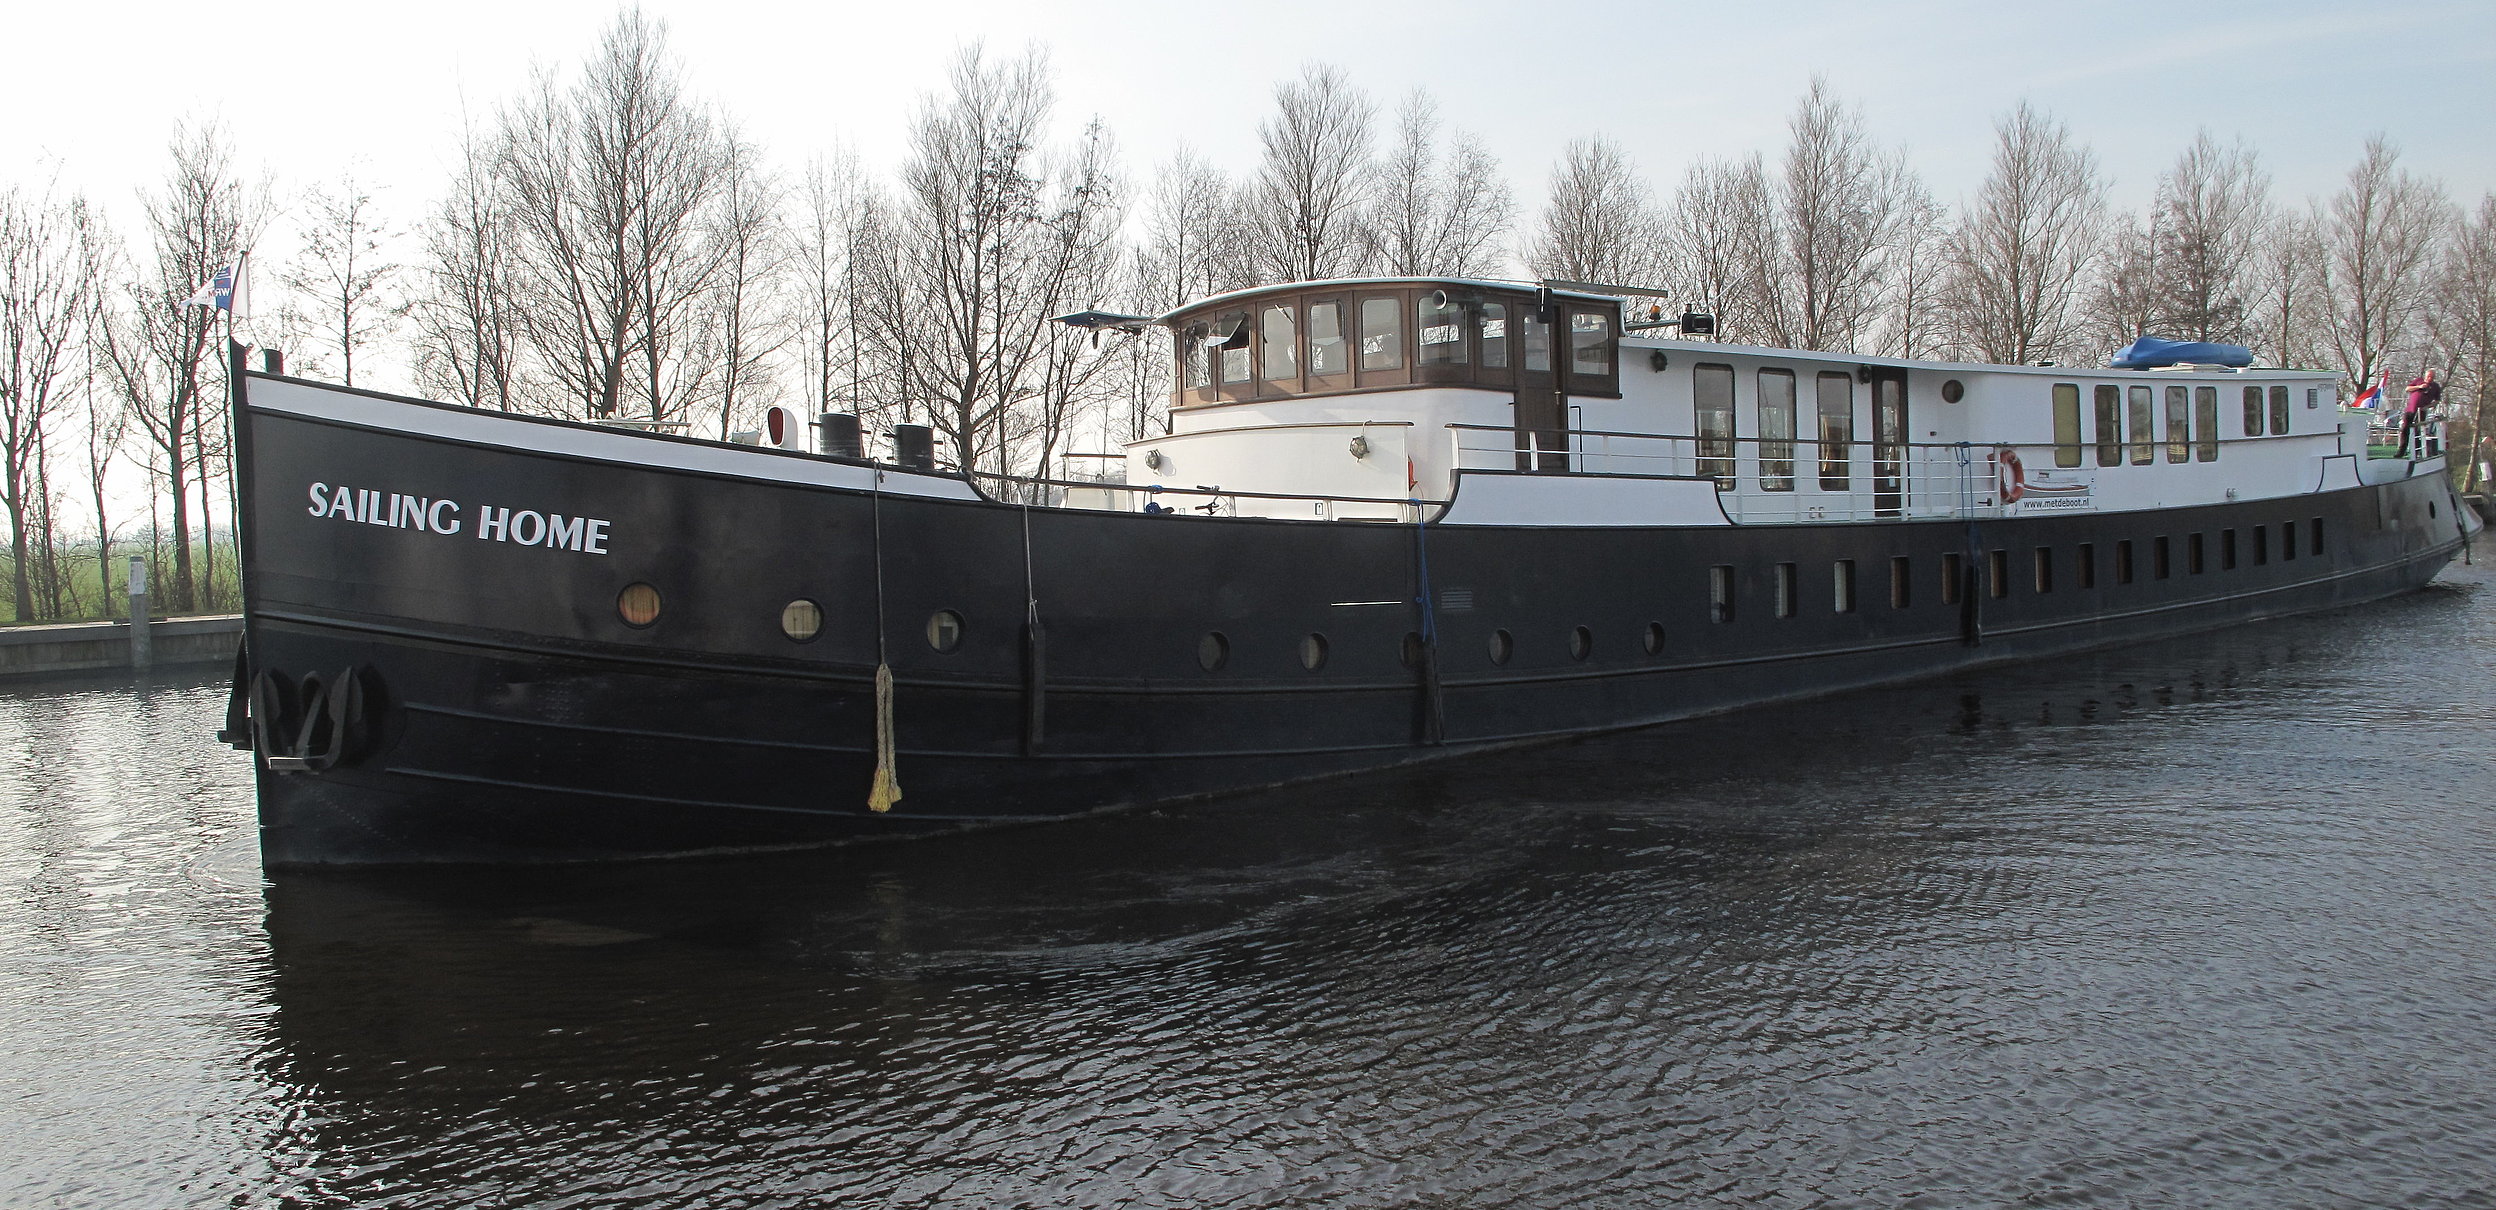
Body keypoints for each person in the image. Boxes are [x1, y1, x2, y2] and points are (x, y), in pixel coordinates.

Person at [2401, 368, 2442, 456]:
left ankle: (2416, 452)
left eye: (2432, 377)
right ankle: (2401, 451)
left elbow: (2437, 401)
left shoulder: (2435, 387)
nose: (2429, 378)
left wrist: (2427, 407)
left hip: (2421, 412)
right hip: (2410, 409)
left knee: (2417, 430)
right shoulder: (2418, 381)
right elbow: (2407, 389)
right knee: (2405, 429)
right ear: (2425, 376)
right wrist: (2419, 387)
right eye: (2428, 376)